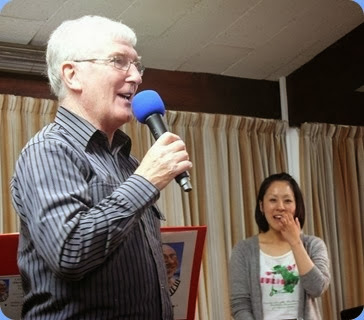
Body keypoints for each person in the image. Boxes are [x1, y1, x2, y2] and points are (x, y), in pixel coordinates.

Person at [10, 15, 192, 320]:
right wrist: (145, 181)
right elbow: (70, 253)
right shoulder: (48, 150)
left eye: (136, 65)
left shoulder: (127, 161)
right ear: (72, 75)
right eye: (119, 61)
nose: (136, 76)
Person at [229, 172, 331, 320]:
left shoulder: (313, 245)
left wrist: (295, 243)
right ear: (262, 206)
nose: (280, 207)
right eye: (273, 200)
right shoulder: (243, 250)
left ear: (296, 206)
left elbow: (317, 289)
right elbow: (240, 305)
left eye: (288, 201)